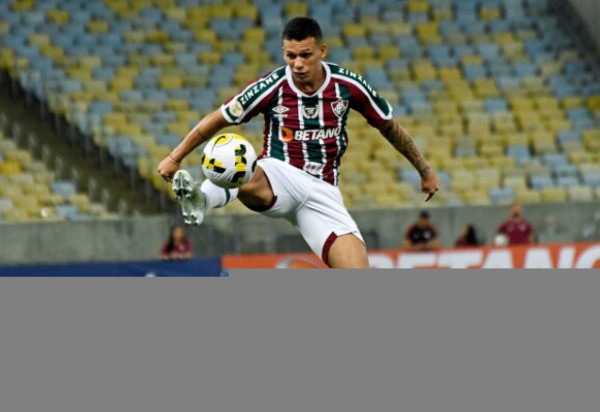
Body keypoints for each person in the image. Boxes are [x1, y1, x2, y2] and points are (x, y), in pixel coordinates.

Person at [157, 17, 440, 268]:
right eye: (291, 56)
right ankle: (202, 199)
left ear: (322, 50)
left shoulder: (348, 85)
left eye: (305, 55)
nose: (298, 64)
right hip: (279, 174)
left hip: (323, 193)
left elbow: (389, 127)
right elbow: (219, 118)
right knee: (234, 153)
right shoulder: (272, 85)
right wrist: (175, 156)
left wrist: (424, 170)